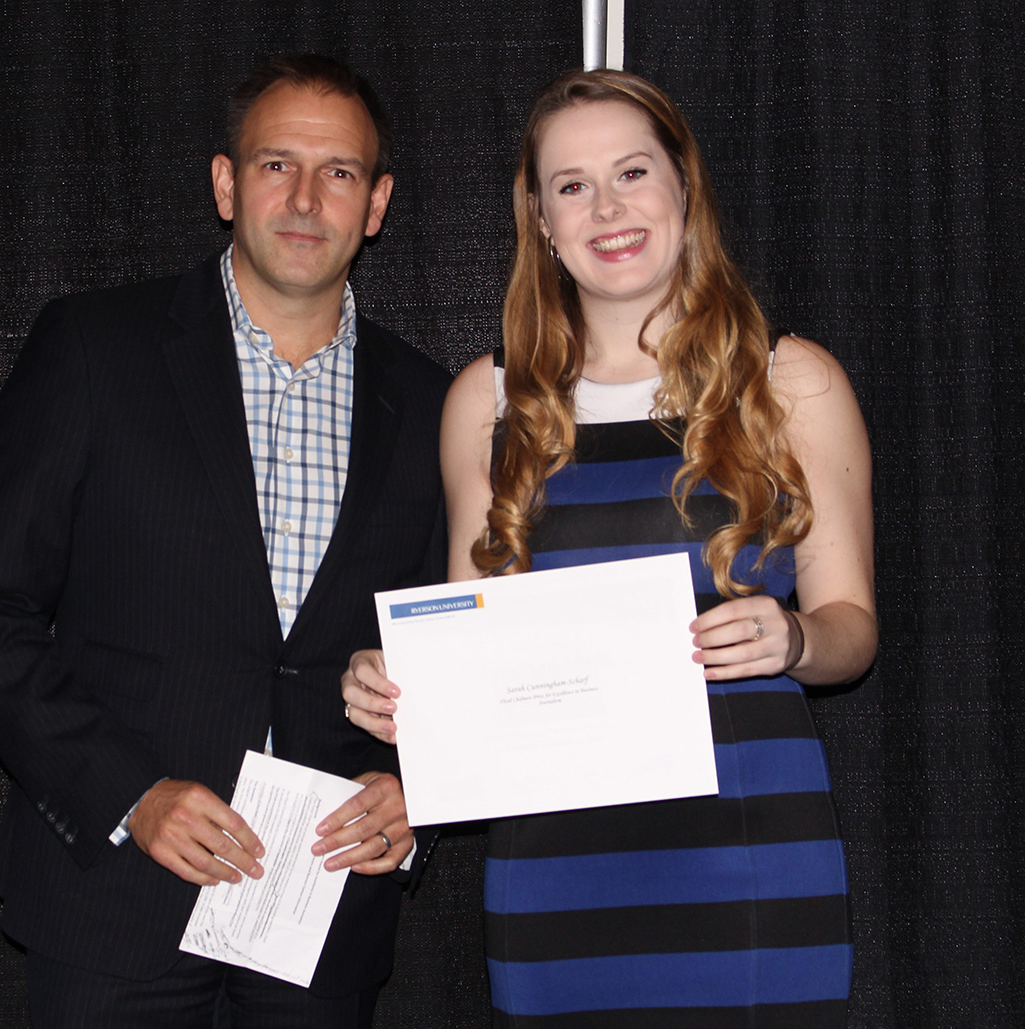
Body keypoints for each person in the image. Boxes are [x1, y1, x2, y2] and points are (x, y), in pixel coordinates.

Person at [343, 69, 876, 1027]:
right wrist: (399, 687)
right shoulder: (487, 403)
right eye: (573, 185)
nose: (607, 208)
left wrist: (795, 638)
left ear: (684, 188)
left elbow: (853, 629)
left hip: (750, 864)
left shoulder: (791, 381)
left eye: (632, 172)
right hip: (555, 879)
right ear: (542, 221)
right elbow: (471, 652)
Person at [0, 55, 450, 1028]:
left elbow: (450, 650)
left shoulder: (434, 406)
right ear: (225, 183)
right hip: (113, 906)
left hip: (322, 920)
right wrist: (131, 794)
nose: (305, 198)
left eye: (338, 171)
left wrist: (418, 791)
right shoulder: (93, 349)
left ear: (376, 203)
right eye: (276, 164)